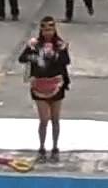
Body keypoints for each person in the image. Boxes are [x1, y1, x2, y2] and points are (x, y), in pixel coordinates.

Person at [18, 16, 70, 162]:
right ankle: (41, 148)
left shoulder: (60, 45)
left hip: (56, 85)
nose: (48, 32)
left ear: (54, 29)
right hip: (39, 86)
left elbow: (66, 61)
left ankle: (55, 147)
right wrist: (31, 52)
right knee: (44, 120)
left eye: (50, 29)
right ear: (41, 29)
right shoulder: (35, 45)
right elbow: (22, 59)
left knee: (55, 119)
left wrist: (58, 53)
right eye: (45, 29)